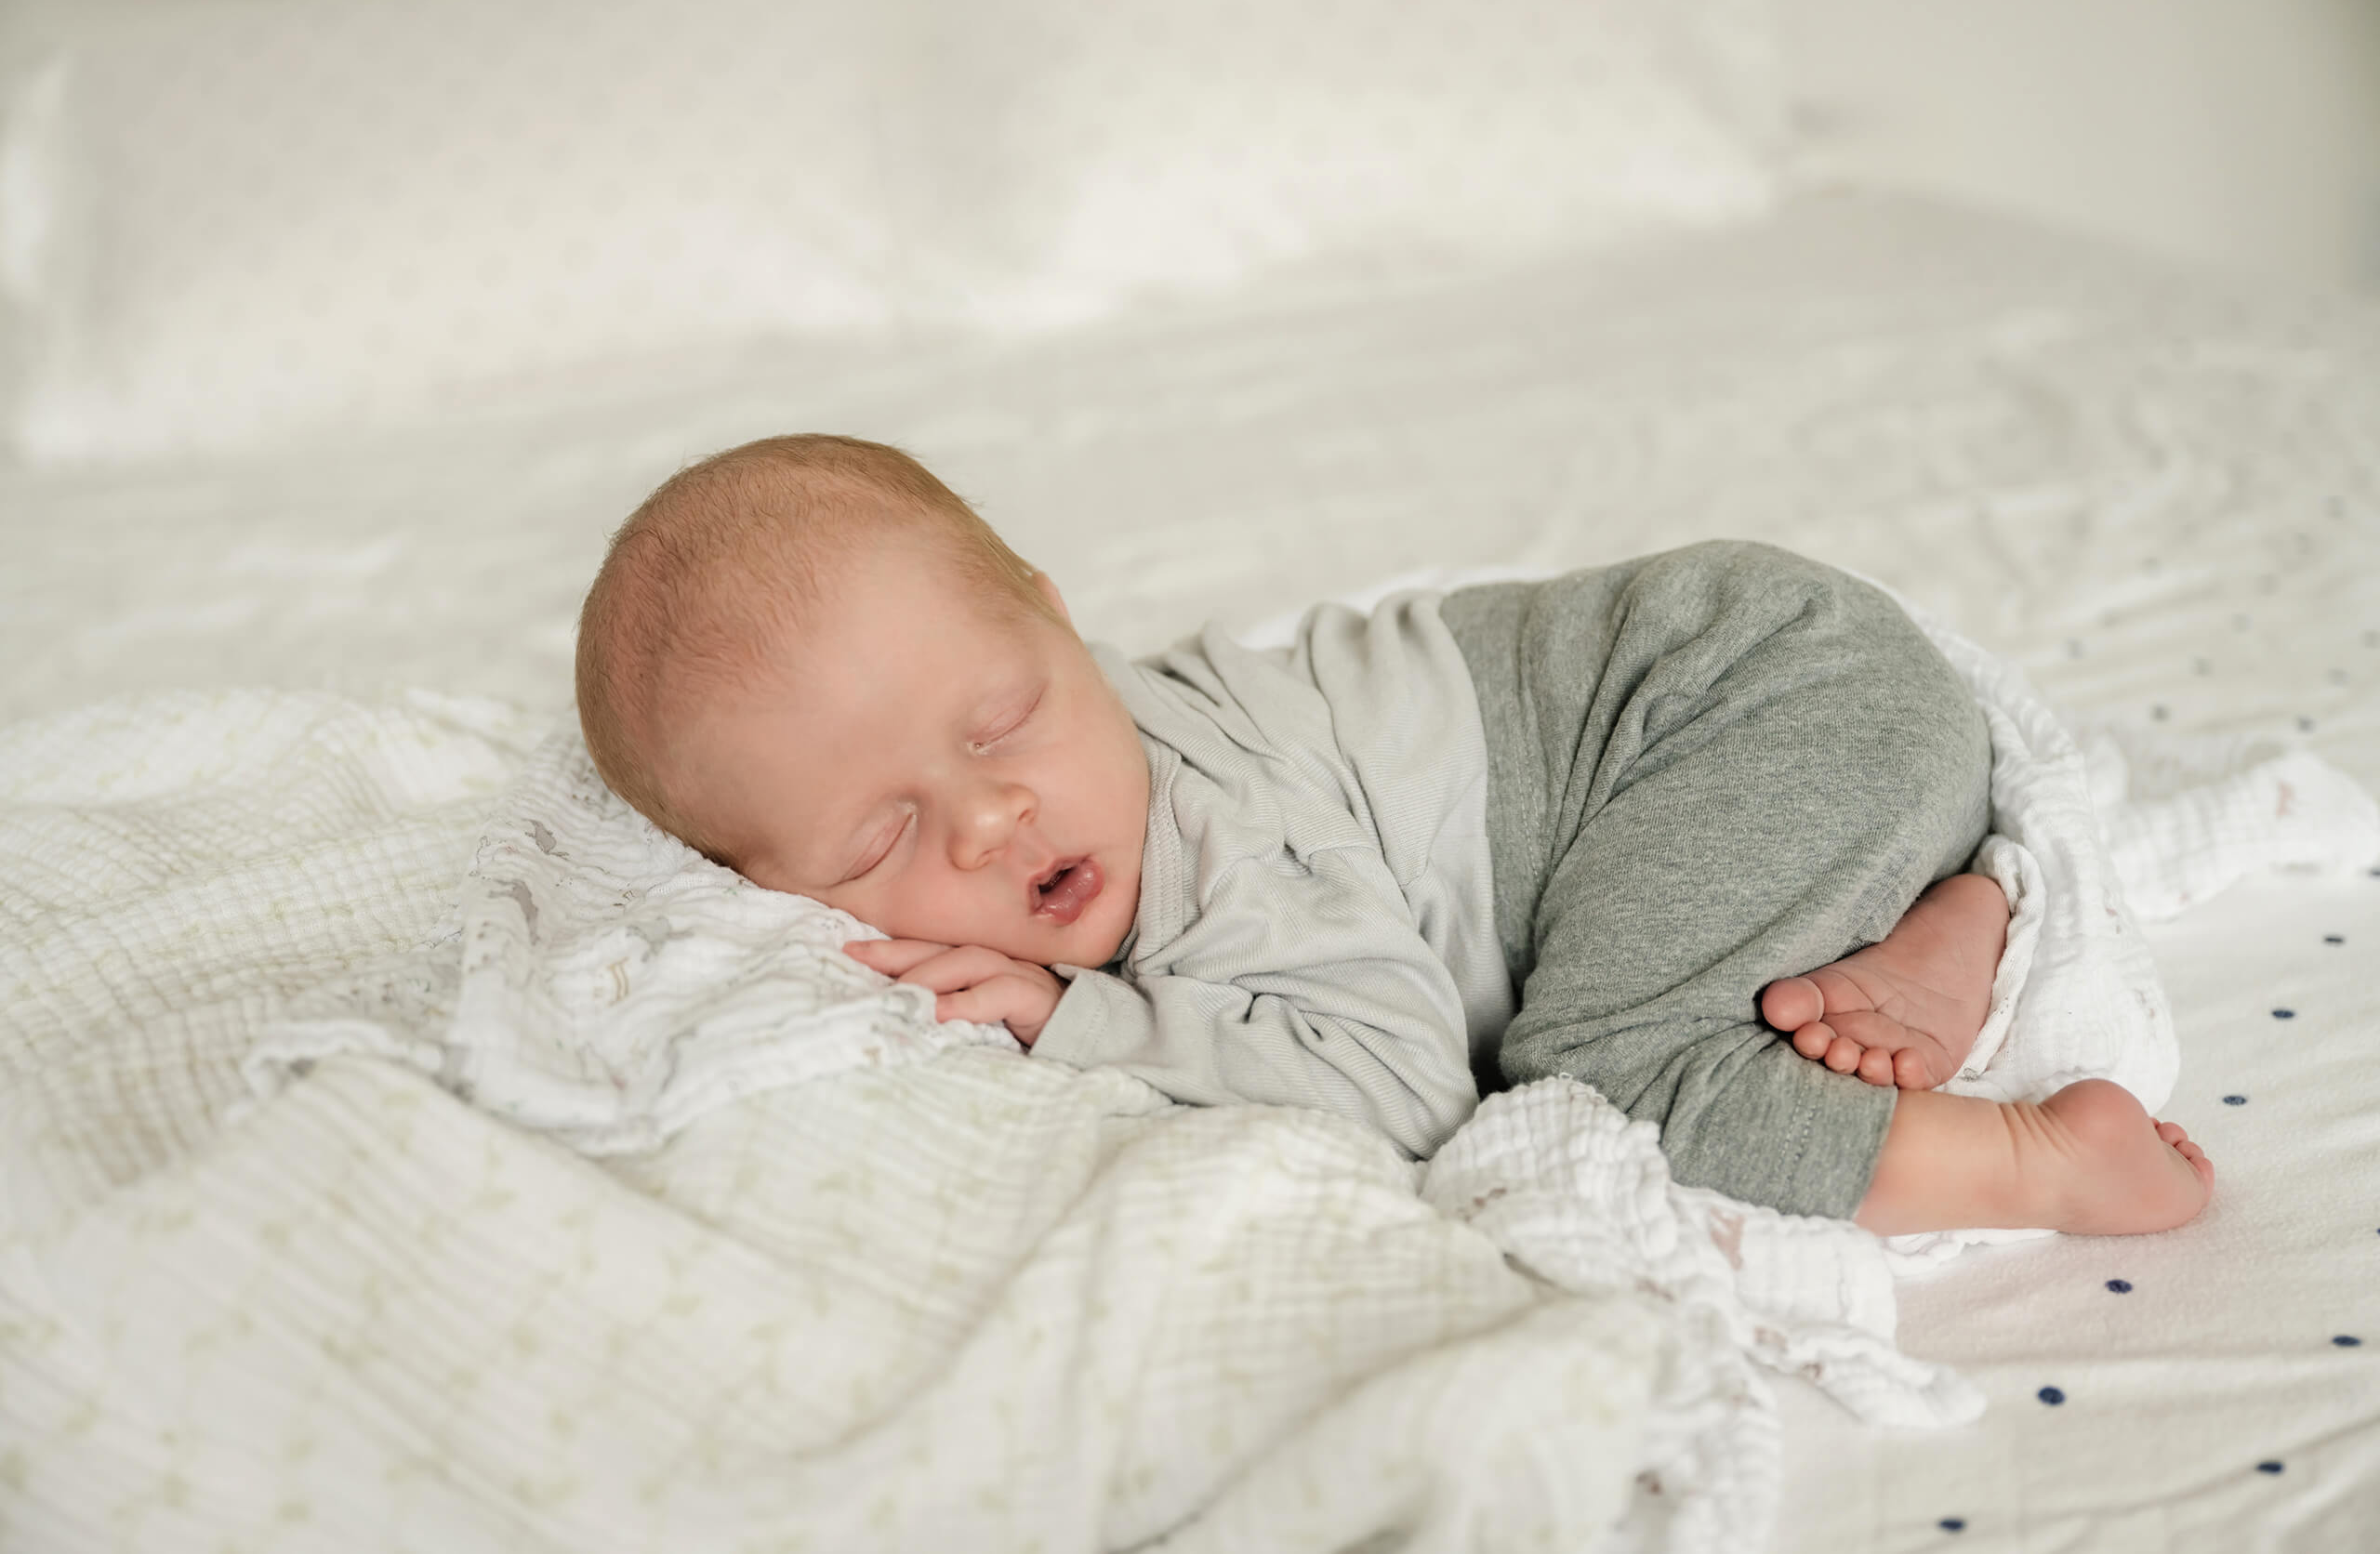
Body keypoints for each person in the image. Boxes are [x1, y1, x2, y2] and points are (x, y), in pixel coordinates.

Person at [575, 433, 2214, 1237]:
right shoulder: (1071, 775)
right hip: (1786, 698)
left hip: (1746, 699)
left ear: (1064, 628)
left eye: (1003, 723)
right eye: (878, 841)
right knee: (1675, 952)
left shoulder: (1211, 839)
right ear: (757, 889)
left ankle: (2040, 1161)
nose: (993, 814)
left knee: (1613, 1080)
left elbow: (1410, 1082)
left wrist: (1085, 1017)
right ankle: (1940, 913)